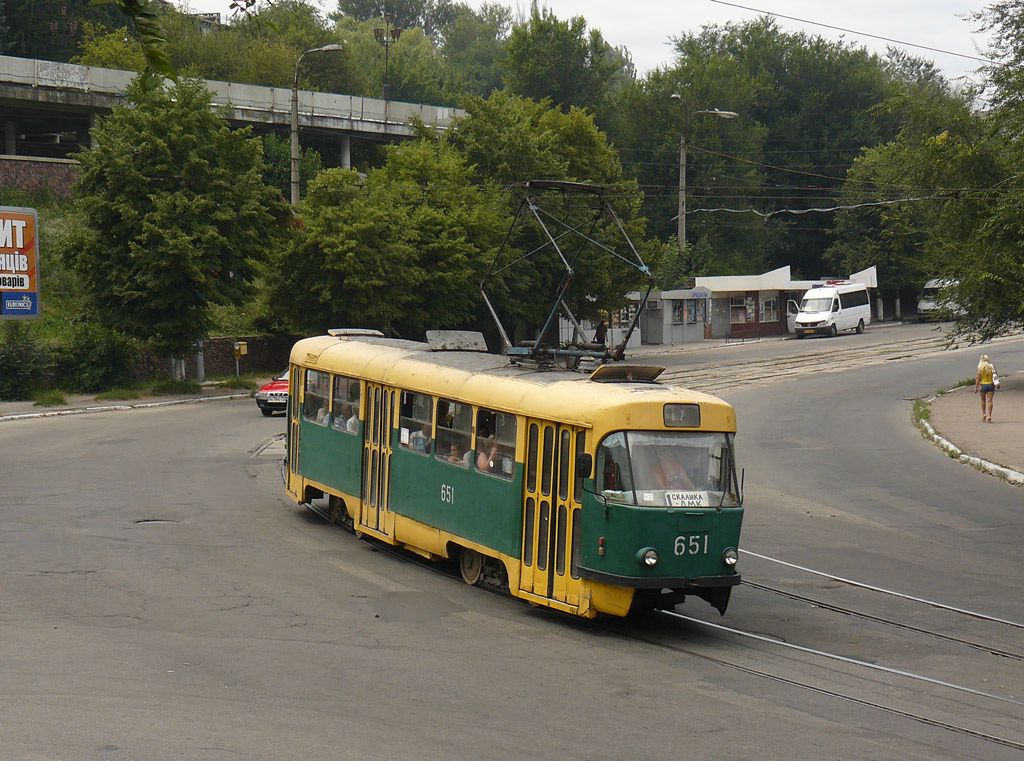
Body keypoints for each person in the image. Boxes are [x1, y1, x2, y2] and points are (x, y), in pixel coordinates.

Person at [974, 354, 998, 423]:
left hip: (983, 385)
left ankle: (984, 414)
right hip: (991, 385)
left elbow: (978, 378)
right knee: (990, 401)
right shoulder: (992, 367)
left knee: (983, 400)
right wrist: (997, 384)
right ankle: (989, 416)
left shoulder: (980, 368)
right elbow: (995, 375)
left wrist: (976, 387)